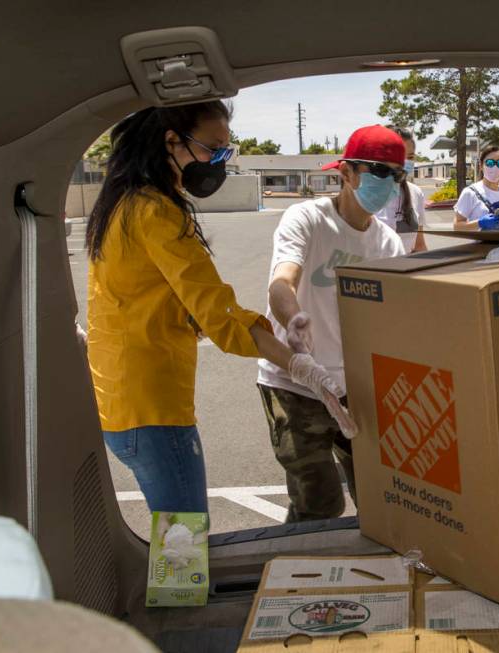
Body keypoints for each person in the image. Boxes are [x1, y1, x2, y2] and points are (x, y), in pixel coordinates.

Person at [85, 101, 347, 515]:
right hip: (152, 407)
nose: (219, 162)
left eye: (227, 151)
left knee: (178, 541)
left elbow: (148, 297)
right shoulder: (156, 212)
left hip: (123, 401)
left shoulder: (124, 203)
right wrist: (303, 369)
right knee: (184, 548)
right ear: (172, 142)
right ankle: (180, 587)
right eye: (212, 149)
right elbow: (220, 316)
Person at [258, 124, 408, 523]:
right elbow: (281, 281)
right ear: (346, 173)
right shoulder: (306, 219)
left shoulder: (387, 243)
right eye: (379, 171)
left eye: (397, 174)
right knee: (319, 504)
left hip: (354, 386)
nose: (388, 182)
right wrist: (294, 319)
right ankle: (302, 578)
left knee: (377, 494)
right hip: (295, 381)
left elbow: (392, 318)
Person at [374, 125, 428, 252]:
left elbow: (420, 246)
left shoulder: (416, 192)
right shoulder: (368, 194)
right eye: (398, 155)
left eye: (409, 157)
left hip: (406, 269)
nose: (404, 162)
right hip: (375, 270)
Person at [453, 145, 499, 231]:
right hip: (480, 244)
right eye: (490, 163)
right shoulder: (470, 193)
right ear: (481, 166)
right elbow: (457, 227)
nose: (495, 167)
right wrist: (479, 223)